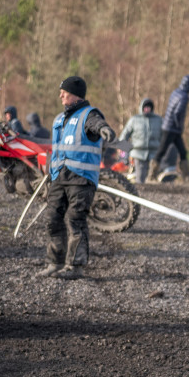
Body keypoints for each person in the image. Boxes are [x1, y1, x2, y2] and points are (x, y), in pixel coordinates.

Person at [39, 76, 116, 280]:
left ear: (75, 94)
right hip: (59, 177)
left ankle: (75, 266)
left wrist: (104, 129)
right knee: (52, 219)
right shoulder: (59, 119)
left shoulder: (88, 115)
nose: (60, 95)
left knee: (75, 220)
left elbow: (97, 124)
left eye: (64, 92)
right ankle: (55, 263)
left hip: (81, 178)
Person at [150, 75, 189, 182]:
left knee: (182, 151)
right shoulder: (184, 96)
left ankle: (187, 177)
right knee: (161, 151)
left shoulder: (176, 92)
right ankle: (151, 176)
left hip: (169, 127)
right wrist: (178, 124)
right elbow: (177, 112)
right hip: (172, 128)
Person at [119, 98, 162, 184]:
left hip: (154, 153)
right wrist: (123, 150)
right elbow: (125, 134)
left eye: (149, 107)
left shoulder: (159, 120)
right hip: (138, 153)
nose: (147, 109)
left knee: (153, 178)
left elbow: (164, 135)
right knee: (140, 178)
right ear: (142, 108)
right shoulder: (134, 120)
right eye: (145, 107)